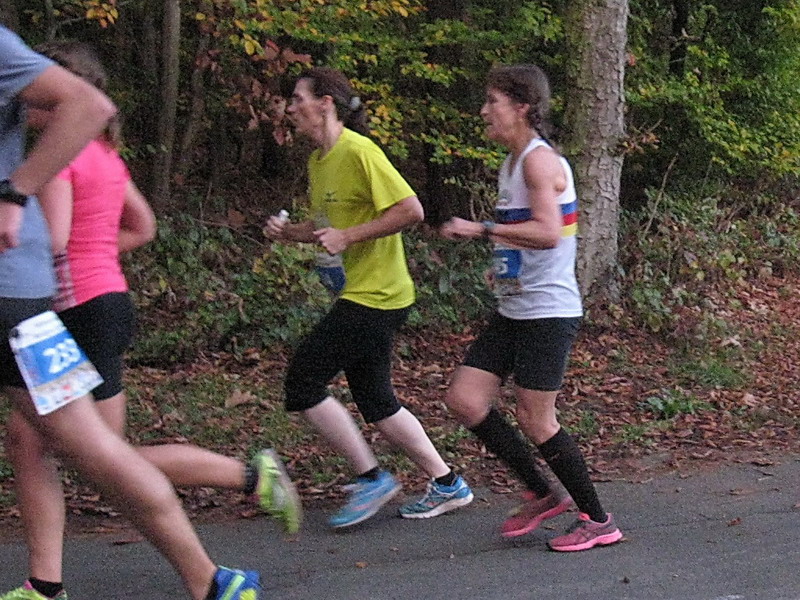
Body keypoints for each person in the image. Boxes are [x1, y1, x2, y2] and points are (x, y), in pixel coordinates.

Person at [1, 40, 301, 600]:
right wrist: (96, 253)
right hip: (105, 301)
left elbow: (58, 240)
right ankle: (47, 583)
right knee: (46, 442)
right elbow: (143, 228)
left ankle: (244, 481)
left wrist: (22, 204)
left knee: (101, 454)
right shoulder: (106, 157)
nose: (23, 100)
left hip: (70, 306)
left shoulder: (58, 161)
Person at [264, 67, 473, 527]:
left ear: (325, 104)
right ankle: (447, 482)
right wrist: (288, 232)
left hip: (378, 294)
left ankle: (371, 478)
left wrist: (349, 236)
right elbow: (327, 229)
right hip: (360, 291)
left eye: (297, 98)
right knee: (377, 400)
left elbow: (411, 210)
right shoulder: (319, 161)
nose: (290, 107)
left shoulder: (360, 151)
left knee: (303, 382)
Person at [440, 64, 623, 552]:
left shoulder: (539, 162)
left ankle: (598, 520)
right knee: (465, 399)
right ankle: (543, 493)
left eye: (493, 102)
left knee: (537, 419)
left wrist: (482, 230)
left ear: (521, 107)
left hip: (548, 313)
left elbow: (548, 232)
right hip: (515, 308)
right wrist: (504, 267)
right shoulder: (512, 162)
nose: (484, 111)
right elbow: (531, 235)